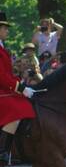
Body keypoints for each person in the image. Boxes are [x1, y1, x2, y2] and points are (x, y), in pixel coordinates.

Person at [0, 12, 36, 156]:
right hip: (2, 91)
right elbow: (1, 76)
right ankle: (3, 150)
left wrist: (20, 83)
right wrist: (20, 88)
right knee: (19, 109)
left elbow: (7, 74)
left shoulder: (2, 47)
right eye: (5, 28)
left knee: (24, 103)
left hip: (5, 90)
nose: (7, 31)